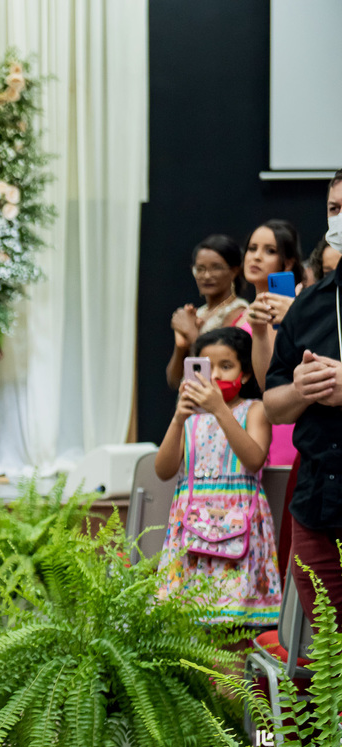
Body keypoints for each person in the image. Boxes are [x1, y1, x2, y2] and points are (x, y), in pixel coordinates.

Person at [153, 328, 281, 627]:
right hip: (191, 532)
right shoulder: (189, 417)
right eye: (206, 368)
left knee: (235, 623)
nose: (215, 376)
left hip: (240, 531)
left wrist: (219, 409)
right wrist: (178, 418)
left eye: (226, 366)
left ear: (245, 373)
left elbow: (254, 459)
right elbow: (163, 470)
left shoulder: (255, 410)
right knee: (187, 624)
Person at [265, 197, 342, 627]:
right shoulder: (309, 306)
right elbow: (274, 404)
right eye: (334, 207)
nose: (339, 217)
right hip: (316, 507)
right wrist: (300, 390)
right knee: (332, 649)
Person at [238, 220, 302, 466]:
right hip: (247, 425)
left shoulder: (293, 308)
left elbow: (270, 380)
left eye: (270, 251)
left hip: (281, 426)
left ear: (288, 262)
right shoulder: (244, 312)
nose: (256, 257)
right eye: (252, 248)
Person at [165, 235, 248, 389]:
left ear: (234, 271)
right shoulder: (199, 313)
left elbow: (222, 366)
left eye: (216, 267)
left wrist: (191, 333)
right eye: (200, 269)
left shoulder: (240, 313)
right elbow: (174, 380)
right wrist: (181, 345)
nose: (207, 276)